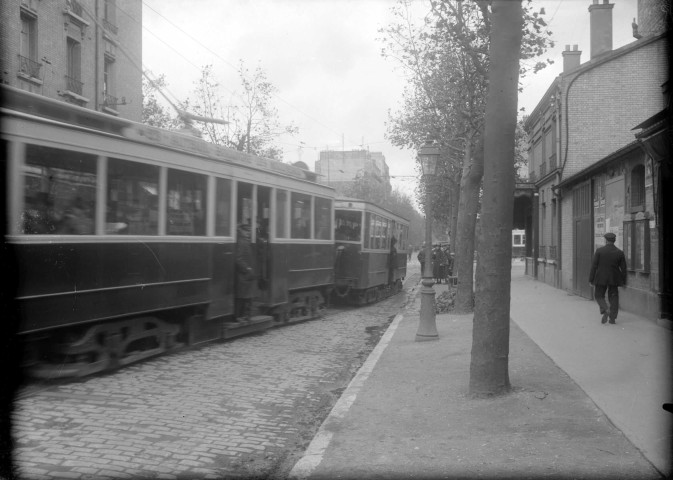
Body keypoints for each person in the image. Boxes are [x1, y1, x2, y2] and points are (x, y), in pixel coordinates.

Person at [589, 232, 627, 324]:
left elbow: (594, 266)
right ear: (614, 241)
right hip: (614, 278)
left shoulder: (599, 251)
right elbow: (624, 268)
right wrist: (623, 281)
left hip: (601, 278)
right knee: (614, 296)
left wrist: (591, 279)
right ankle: (612, 319)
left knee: (598, 295)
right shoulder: (620, 252)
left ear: (606, 240)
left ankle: (605, 309)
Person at [235, 223, 256, 321]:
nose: (248, 233)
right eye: (246, 231)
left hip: (246, 274)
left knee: (246, 296)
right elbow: (238, 258)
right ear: (241, 231)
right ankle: (240, 316)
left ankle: (246, 315)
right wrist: (247, 268)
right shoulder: (241, 242)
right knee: (242, 296)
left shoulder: (244, 241)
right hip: (243, 274)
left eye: (249, 231)